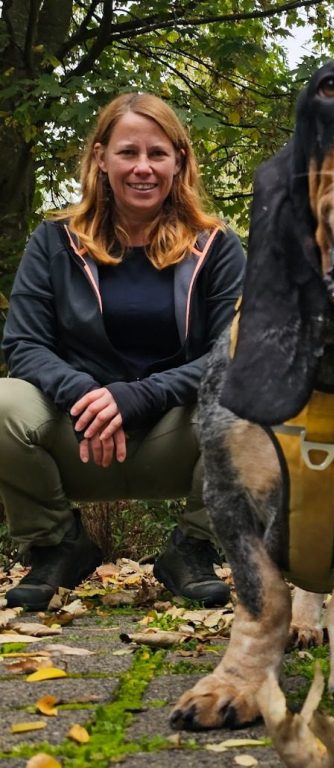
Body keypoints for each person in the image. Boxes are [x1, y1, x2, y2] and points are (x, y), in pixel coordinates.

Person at [0, 92, 246, 612]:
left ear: (179, 161)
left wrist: (140, 395)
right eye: (128, 152)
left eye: (157, 153)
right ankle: (57, 545)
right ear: (100, 158)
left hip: (176, 437)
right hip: (78, 433)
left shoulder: (216, 245)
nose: (143, 167)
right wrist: (85, 393)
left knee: (251, 400)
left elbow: (233, 350)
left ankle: (192, 549)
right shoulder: (54, 240)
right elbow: (23, 343)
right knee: (2, 402)